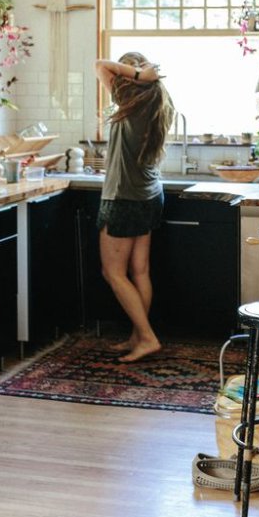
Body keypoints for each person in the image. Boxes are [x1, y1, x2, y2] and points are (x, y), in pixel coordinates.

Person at [94, 52, 175, 363]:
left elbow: (100, 65)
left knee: (113, 272)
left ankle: (148, 337)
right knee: (139, 270)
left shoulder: (134, 99)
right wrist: (146, 77)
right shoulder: (154, 102)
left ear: (128, 79)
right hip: (149, 196)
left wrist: (142, 75)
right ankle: (138, 335)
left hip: (124, 200)